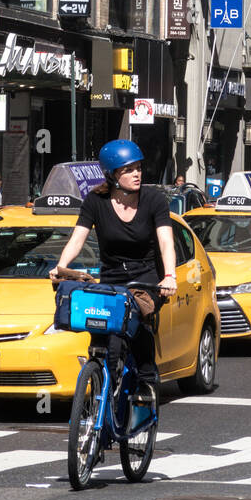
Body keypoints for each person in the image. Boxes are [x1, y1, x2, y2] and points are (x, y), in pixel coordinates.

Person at [51, 139, 177, 390]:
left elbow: (166, 242)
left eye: (138, 168)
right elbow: (78, 238)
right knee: (99, 330)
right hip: (111, 278)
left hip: (146, 279)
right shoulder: (95, 201)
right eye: (128, 170)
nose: (137, 174)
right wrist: (61, 266)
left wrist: (170, 276)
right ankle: (99, 385)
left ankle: (146, 380)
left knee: (135, 322)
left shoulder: (154, 200)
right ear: (112, 175)